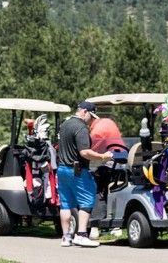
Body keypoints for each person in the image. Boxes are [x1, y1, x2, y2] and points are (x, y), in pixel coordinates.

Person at [57, 100, 111, 248]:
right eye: (91, 116)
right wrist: (103, 157)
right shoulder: (81, 128)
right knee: (87, 200)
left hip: (62, 169)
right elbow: (84, 152)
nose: (91, 120)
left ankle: (66, 237)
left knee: (66, 204)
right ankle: (81, 235)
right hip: (77, 170)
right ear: (84, 112)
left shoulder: (65, 124)